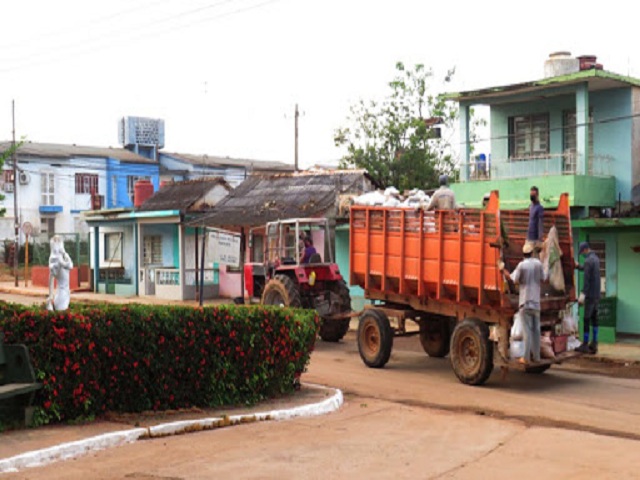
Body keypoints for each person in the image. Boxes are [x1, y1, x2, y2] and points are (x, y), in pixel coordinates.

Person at [500, 243, 549, 364]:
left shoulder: (522, 266)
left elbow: (513, 279)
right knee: (536, 330)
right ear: (532, 253)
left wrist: (503, 270)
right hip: (536, 303)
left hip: (525, 302)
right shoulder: (538, 264)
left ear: (523, 254)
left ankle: (526, 357)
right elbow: (544, 278)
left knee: (527, 331)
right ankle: (536, 357)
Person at [575, 242, 601, 354]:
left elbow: (587, 280)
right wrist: (578, 267)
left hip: (589, 295)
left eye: (582, 252)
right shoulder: (596, 259)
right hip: (597, 294)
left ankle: (585, 344)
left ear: (585, 249)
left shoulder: (588, 261)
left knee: (586, 319)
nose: (582, 254)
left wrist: (582, 295)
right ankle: (594, 343)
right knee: (594, 319)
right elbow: (589, 271)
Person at [47, 235, 73, 311]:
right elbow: (51, 279)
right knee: (62, 313)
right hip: (61, 294)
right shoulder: (57, 262)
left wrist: (64, 253)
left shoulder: (63, 258)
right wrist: (50, 296)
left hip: (66, 292)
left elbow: (70, 265)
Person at [526, 186, 544, 255]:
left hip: (535, 239)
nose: (532, 196)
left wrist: (540, 239)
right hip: (529, 238)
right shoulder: (530, 207)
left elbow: (540, 224)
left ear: (537, 195)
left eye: (533, 194)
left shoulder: (539, 208)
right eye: (531, 194)